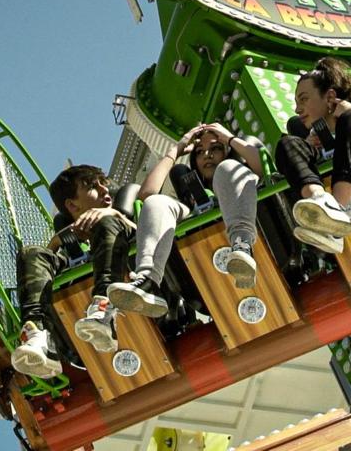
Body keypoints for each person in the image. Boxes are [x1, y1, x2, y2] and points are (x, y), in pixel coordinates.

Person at [107, 122, 264, 318]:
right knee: (156, 202)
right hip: (202, 290)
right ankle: (148, 281)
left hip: (261, 249)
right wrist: (177, 149)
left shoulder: (240, 170)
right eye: (199, 152)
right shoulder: (191, 199)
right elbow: (147, 194)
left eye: (215, 148)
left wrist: (229, 139)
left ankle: (242, 247)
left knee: (227, 169)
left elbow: (262, 166)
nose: (207, 155)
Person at [11, 165, 136, 379]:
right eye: (91, 187)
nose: (104, 190)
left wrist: (113, 215)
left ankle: (103, 308)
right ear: (72, 205)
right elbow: (45, 264)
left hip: (142, 296)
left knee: (106, 223)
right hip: (80, 341)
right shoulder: (71, 250)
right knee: (32, 253)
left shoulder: (123, 220)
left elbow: (155, 240)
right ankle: (37, 335)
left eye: (102, 184)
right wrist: (56, 243)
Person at [274, 57, 351, 255]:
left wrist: (350, 112)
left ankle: (336, 210)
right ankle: (321, 204)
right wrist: (307, 147)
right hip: (338, 198)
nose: (297, 109)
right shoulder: (304, 130)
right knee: (287, 143)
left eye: (304, 99)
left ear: (329, 96)